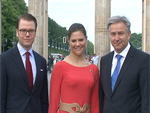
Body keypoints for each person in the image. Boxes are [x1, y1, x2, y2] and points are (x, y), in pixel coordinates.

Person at [99, 16, 149, 113]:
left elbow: (147, 99)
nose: (116, 38)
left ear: (129, 35)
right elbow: (102, 96)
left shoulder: (143, 60)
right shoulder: (104, 60)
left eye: (120, 33)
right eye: (113, 34)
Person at [1, 13, 49, 113]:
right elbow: (1, 97)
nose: (27, 34)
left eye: (31, 31)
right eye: (23, 30)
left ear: (35, 33)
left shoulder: (41, 62)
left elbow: (44, 99)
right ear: (17, 32)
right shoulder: (4, 60)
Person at [48, 23, 100, 113]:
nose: (77, 44)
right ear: (68, 41)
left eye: (81, 40)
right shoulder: (60, 67)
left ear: (86, 40)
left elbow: (95, 103)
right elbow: (54, 102)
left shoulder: (93, 69)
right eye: (73, 41)